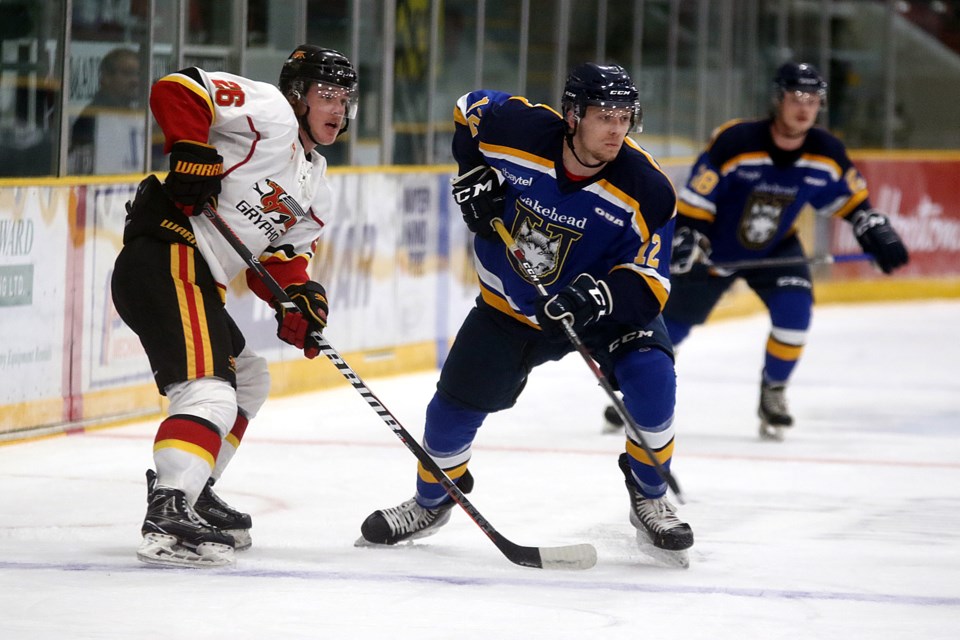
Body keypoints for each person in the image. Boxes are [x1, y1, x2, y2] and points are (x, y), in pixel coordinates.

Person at [358, 63, 694, 560]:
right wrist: (471, 170)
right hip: (509, 307)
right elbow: (469, 108)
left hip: (597, 311)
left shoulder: (648, 189)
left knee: (653, 377)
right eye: (605, 115)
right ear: (573, 114)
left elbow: (650, 284)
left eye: (626, 116)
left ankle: (648, 495)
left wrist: (596, 297)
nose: (617, 128)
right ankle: (432, 501)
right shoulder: (519, 131)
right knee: (448, 416)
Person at [110, 45, 358, 567]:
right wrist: (189, 149)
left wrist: (299, 300)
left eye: (345, 97)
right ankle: (168, 507)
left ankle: (192, 489)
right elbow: (179, 88)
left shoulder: (316, 180)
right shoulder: (267, 110)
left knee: (249, 379)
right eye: (326, 95)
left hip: (197, 277)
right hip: (167, 257)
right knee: (210, 396)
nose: (338, 108)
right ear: (297, 94)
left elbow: (281, 258)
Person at [603, 62, 909, 440]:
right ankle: (640, 392)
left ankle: (774, 392)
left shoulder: (826, 152)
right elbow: (699, 196)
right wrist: (690, 237)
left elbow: (852, 202)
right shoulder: (737, 141)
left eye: (813, 100)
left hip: (775, 249)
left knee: (796, 311)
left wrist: (871, 228)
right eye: (797, 97)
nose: (804, 107)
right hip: (714, 248)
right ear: (778, 98)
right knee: (675, 326)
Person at [69, 47, 143, 174]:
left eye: (137, 74)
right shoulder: (93, 116)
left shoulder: (133, 114)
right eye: (127, 73)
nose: (135, 81)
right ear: (106, 78)